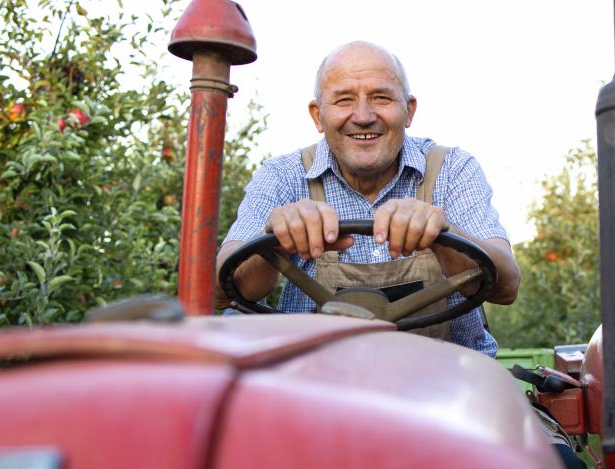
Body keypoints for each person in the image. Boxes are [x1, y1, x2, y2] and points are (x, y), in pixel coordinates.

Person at [215, 41, 520, 356]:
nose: (362, 116)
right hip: (315, 378)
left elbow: (506, 287)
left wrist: (444, 234)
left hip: (448, 379)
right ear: (318, 116)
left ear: (409, 110)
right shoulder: (282, 176)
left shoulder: (452, 168)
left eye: (381, 98)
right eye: (344, 100)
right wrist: (277, 241)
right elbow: (222, 290)